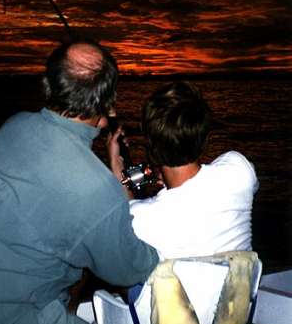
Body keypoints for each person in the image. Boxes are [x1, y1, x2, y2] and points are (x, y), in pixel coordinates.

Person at [0, 40, 159, 324]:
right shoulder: (96, 190)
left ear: (49, 85)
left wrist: (110, 177)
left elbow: (59, 202)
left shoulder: (14, 127)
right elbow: (131, 269)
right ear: (106, 105)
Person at [109, 81, 259, 261]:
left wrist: (118, 172)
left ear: (150, 146)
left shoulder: (145, 219)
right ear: (204, 140)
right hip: (239, 288)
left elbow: (127, 212)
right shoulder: (240, 171)